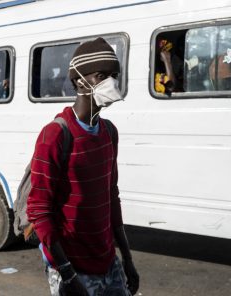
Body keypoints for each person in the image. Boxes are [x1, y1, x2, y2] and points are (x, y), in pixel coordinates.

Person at [27, 37, 139, 296]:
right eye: (102, 76)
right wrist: (67, 275)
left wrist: (128, 259)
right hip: (73, 268)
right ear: (79, 80)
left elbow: (111, 197)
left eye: (114, 75)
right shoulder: (55, 134)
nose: (110, 83)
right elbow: (39, 211)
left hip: (109, 264)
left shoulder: (109, 132)